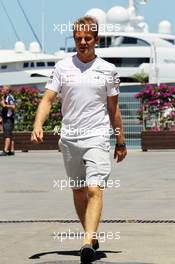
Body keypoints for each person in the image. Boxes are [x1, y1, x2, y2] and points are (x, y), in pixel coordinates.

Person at [31, 16, 127, 263]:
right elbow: (48, 100)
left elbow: (113, 110)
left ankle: (86, 243)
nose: (82, 42)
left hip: (97, 136)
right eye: (78, 38)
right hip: (70, 138)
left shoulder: (108, 70)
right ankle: (91, 235)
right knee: (78, 190)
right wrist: (38, 124)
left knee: (94, 188)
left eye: (87, 38)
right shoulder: (63, 67)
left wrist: (120, 141)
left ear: (96, 39)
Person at [0, 85, 16, 156]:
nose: (1, 90)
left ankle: (5, 150)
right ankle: (11, 150)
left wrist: (4, 105)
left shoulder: (9, 97)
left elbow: (13, 106)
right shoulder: (4, 97)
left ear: (7, 90)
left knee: (7, 135)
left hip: (8, 119)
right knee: (9, 134)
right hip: (6, 119)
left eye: (3, 89)